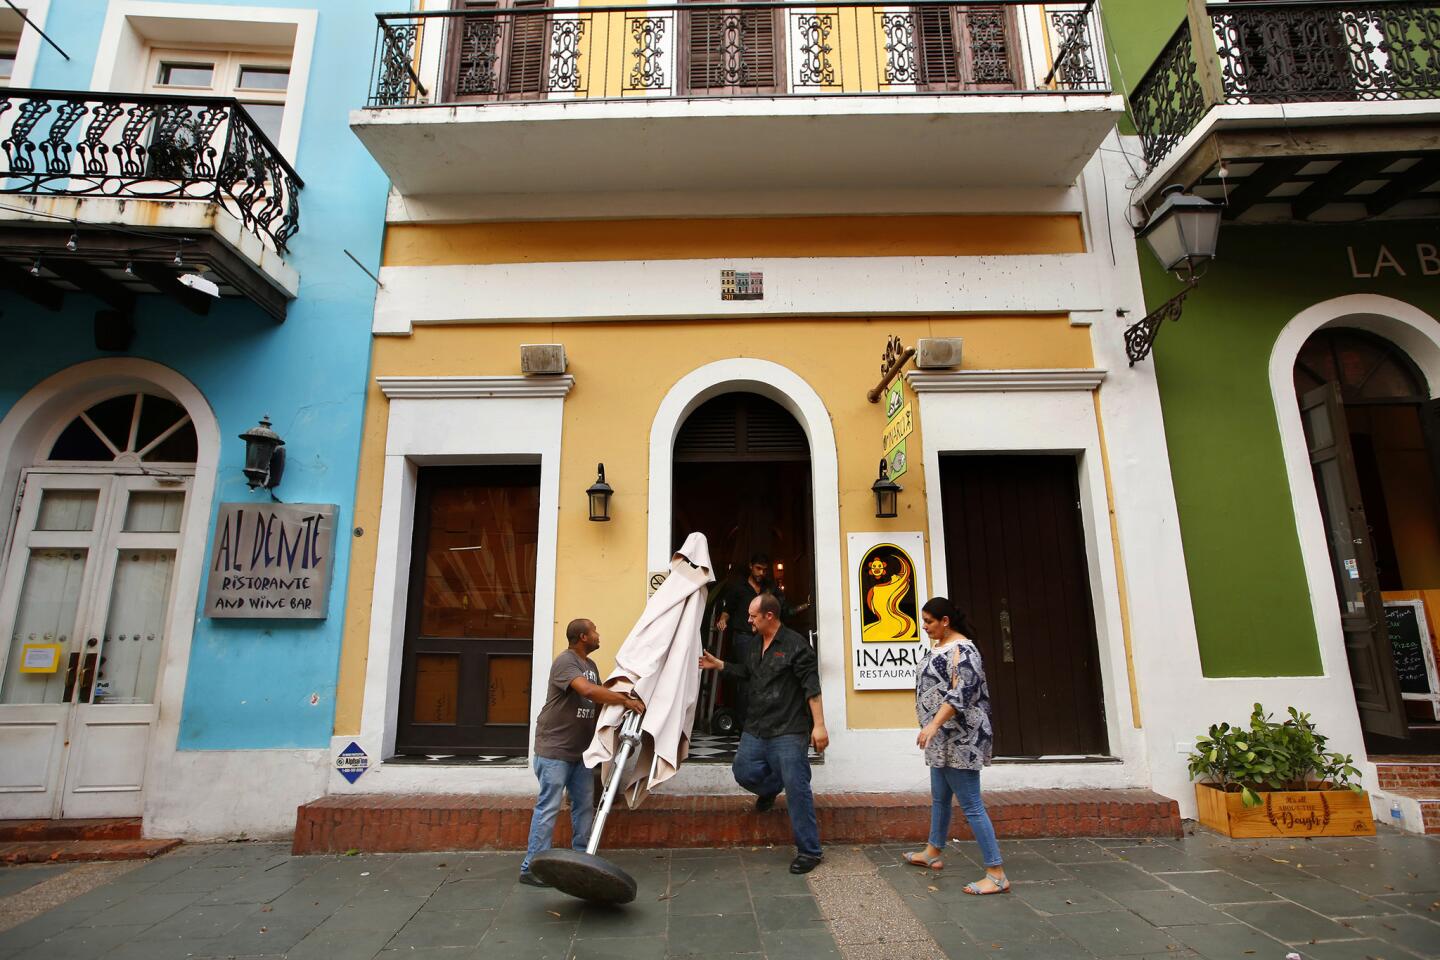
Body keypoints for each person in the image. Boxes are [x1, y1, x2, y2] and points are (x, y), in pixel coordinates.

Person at [698, 593, 828, 874]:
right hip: (756, 726)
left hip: (789, 729)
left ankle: (810, 851)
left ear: (769, 616)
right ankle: (770, 789)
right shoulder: (755, 643)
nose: (748, 620)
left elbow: (811, 687)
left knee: (797, 788)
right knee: (743, 772)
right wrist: (719, 665)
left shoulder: (796, 645)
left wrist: (819, 725)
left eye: (752, 616)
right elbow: (748, 672)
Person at [520, 618, 644, 887]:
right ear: (582, 637)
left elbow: (596, 700)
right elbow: (587, 690)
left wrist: (617, 715)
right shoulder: (566, 662)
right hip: (555, 750)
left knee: (584, 806)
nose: (599, 635)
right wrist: (624, 700)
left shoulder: (590, 665)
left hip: (581, 752)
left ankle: (581, 860)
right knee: (549, 807)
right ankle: (531, 868)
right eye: (594, 631)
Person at [907, 596, 1008, 895]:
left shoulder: (964, 651)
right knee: (939, 798)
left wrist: (934, 724)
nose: (924, 627)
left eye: (928, 622)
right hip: (942, 738)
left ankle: (997, 872)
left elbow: (961, 694)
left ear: (945, 621)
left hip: (961, 737)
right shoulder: (940, 648)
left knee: (972, 805)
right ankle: (932, 851)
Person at [712, 553, 810, 729]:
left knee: (768, 677)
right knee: (745, 679)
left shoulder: (770, 587)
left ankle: (765, 722)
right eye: (758, 568)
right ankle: (745, 724)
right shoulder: (738, 587)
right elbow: (728, 609)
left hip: (764, 637)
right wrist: (723, 619)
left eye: (765, 570)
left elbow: (784, 608)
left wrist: (804, 607)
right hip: (743, 637)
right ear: (751, 566)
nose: (761, 572)